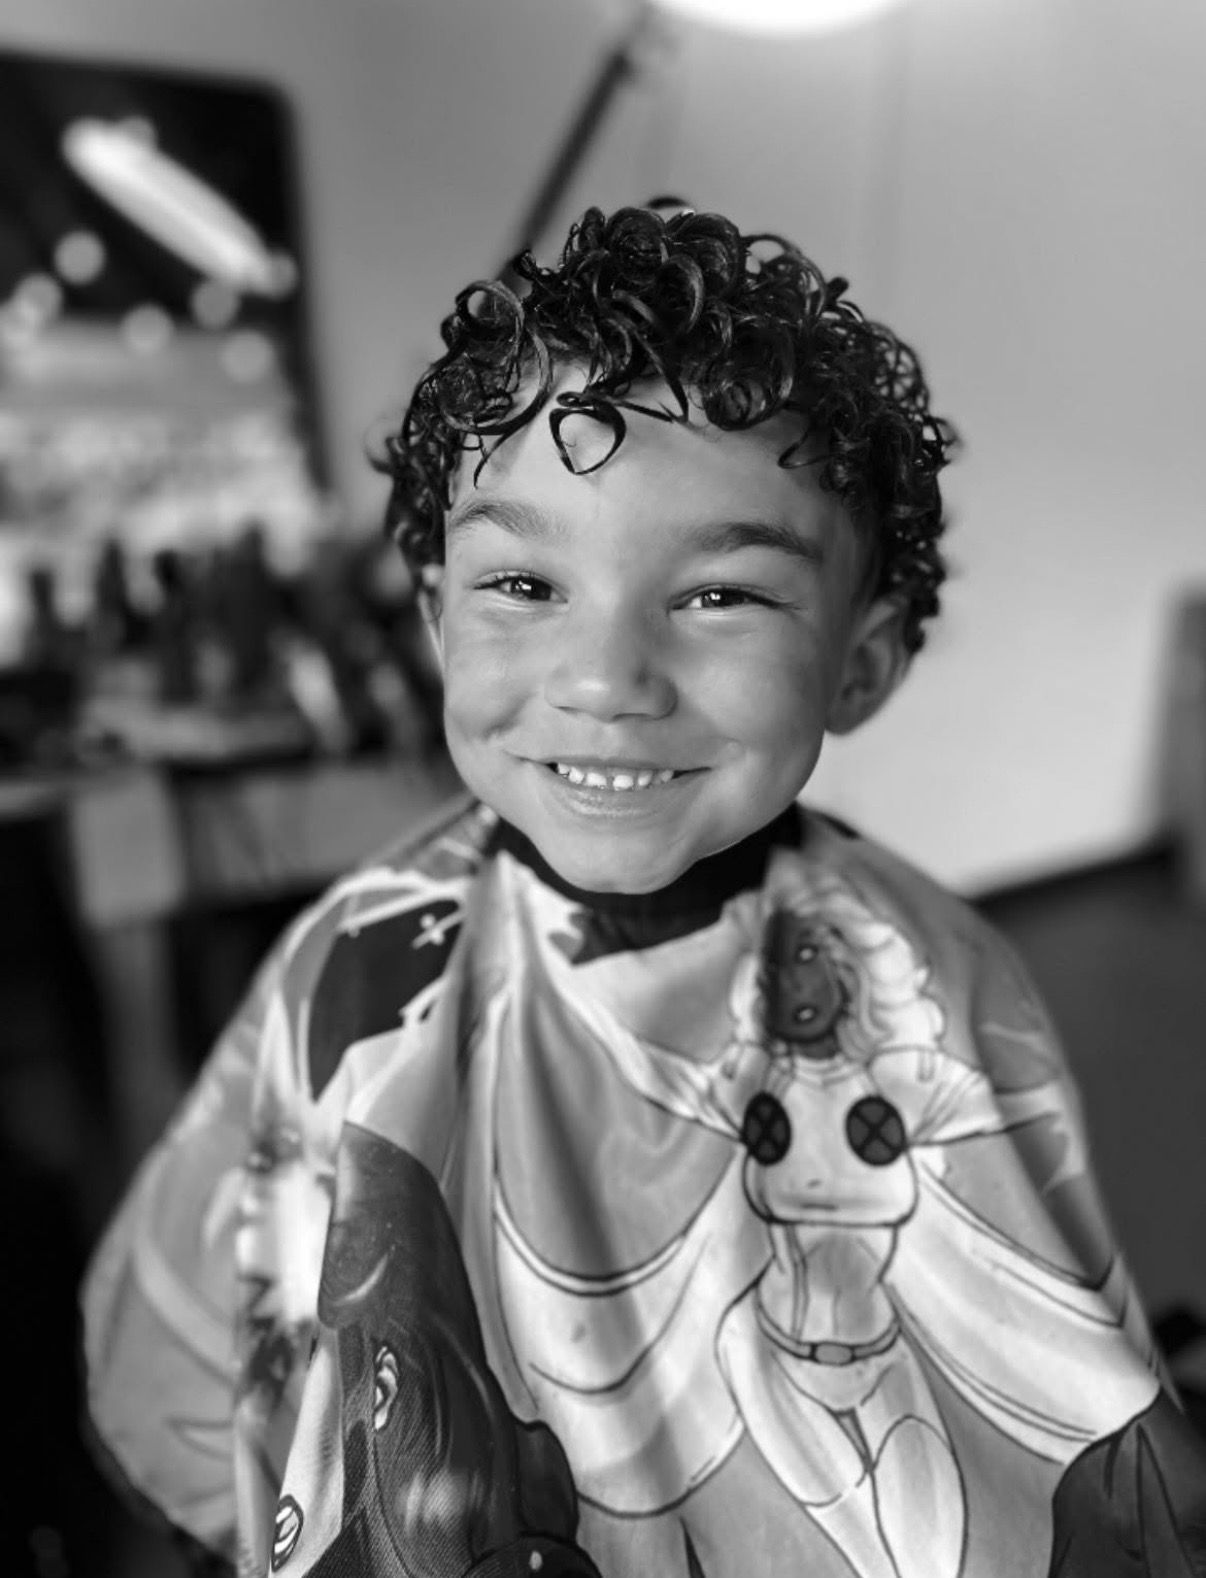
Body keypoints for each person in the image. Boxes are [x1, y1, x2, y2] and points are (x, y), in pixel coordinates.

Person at [82, 203, 1206, 1578]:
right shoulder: (359, 963)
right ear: (437, 622)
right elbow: (220, 1341)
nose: (605, 676)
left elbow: (1058, 1422)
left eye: (721, 596)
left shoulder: (932, 977)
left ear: (857, 666)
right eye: (520, 580)